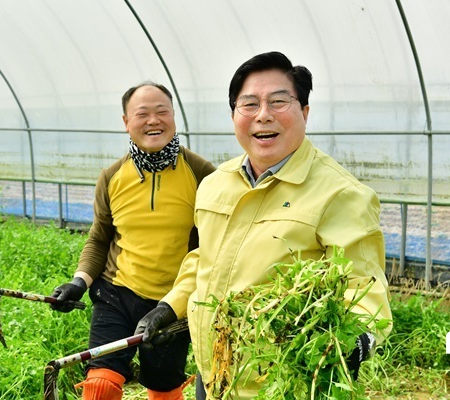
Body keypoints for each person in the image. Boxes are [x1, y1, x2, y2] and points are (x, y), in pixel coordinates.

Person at [135, 52, 393, 399]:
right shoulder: (216, 183)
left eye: (278, 101)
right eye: (249, 104)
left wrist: (358, 338)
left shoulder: (340, 194)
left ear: (304, 112)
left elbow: (364, 286)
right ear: (233, 115)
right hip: (212, 371)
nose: (263, 115)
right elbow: (203, 259)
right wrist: (168, 307)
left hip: (280, 383)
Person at [50, 81, 215, 400]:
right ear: (126, 122)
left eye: (162, 111)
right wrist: (79, 282)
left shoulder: (201, 173)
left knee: (163, 388)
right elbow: (99, 239)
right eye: (142, 114)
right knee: (99, 385)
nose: (154, 120)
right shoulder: (112, 177)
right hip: (116, 295)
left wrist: (178, 304)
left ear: (174, 117)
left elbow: (212, 245)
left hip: (173, 302)